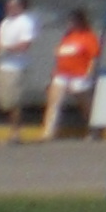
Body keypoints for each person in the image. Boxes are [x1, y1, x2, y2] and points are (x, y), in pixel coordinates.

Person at [0, 0, 38, 140]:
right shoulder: (5, 22)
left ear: (21, 7)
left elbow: (24, 45)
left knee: (10, 103)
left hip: (14, 68)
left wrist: (3, 48)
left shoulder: (26, 22)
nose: (8, 8)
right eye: (7, 6)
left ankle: (15, 133)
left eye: (12, 5)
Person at [43, 9, 100, 138]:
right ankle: (49, 131)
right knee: (54, 102)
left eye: (72, 21)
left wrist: (89, 73)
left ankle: (94, 128)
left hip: (79, 74)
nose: (69, 24)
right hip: (62, 73)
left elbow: (93, 57)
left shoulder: (89, 37)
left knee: (85, 103)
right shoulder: (67, 36)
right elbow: (60, 54)